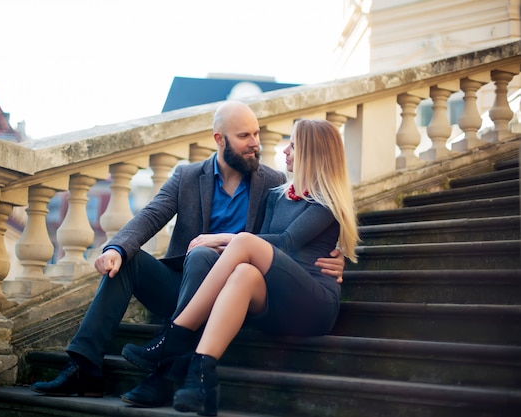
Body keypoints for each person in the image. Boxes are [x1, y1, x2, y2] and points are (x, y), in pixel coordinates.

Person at [30, 102, 346, 406]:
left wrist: (339, 255)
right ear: (219, 140)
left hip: (229, 292)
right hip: (181, 285)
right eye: (244, 136)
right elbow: (150, 216)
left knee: (201, 256)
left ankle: (165, 375)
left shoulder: (272, 182)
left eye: (256, 134)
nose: (255, 143)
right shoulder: (187, 176)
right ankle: (83, 367)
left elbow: (289, 238)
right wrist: (114, 249)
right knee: (126, 261)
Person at [121, 118, 359, 416]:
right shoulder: (279, 196)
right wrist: (228, 246)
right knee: (244, 272)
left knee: (244, 244)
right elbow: (260, 247)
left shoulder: (327, 202)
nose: (285, 150)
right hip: (276, 299)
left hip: (314, 304)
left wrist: (221, 238)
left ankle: (176, 335)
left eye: (294, 145)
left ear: (312, 152)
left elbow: (285, 243)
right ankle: (201, 379)